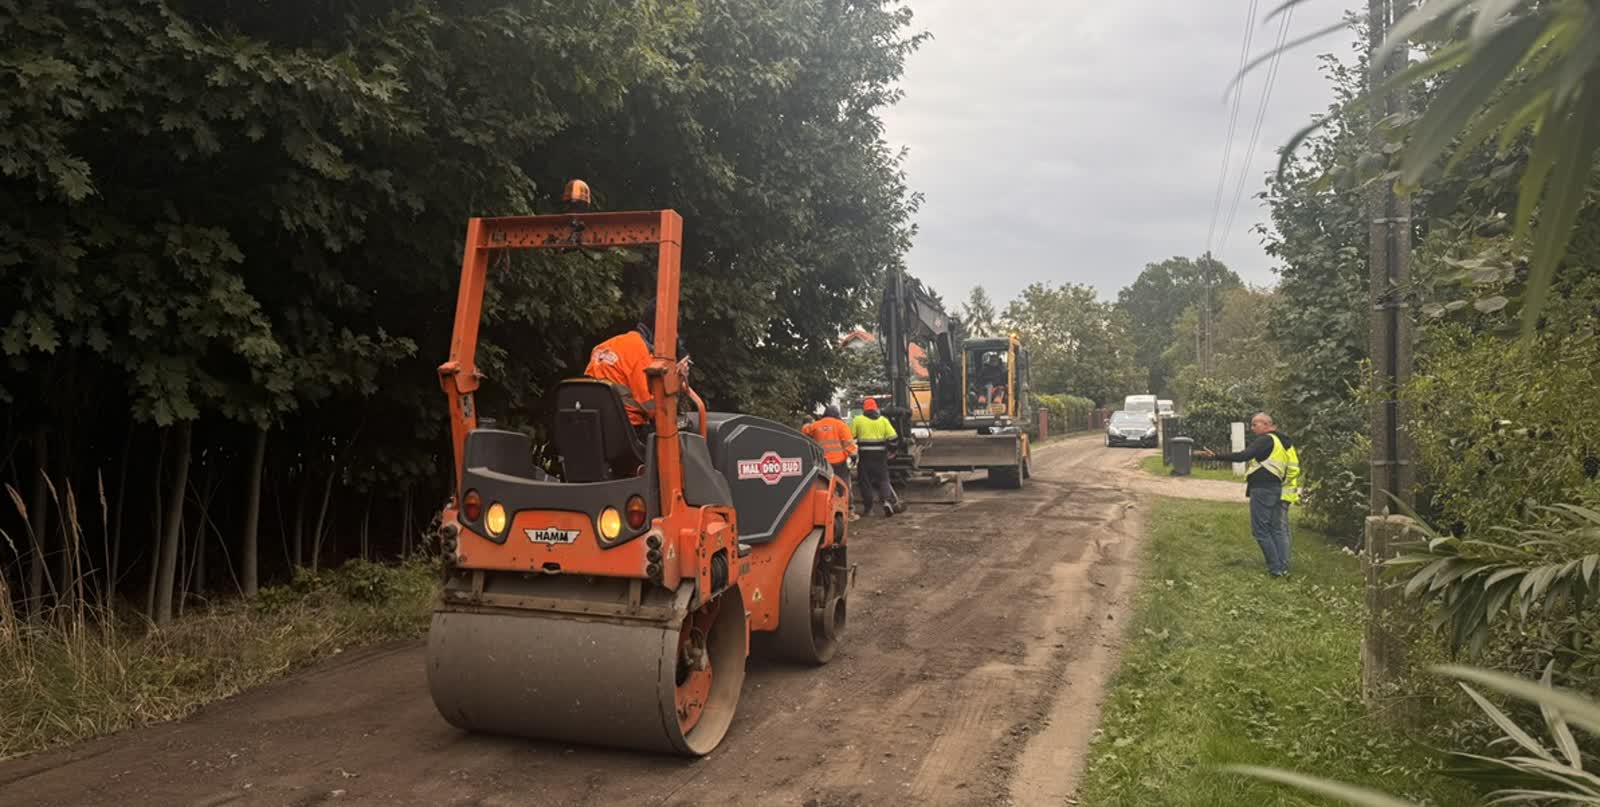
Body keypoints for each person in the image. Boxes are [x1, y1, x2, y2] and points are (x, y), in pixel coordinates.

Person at [1196, 412, 1298, 578]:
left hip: (1263, 490)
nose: (1252, 428)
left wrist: (1216, 456)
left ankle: (1275, 569)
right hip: (1277, 488)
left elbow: (1243, 456)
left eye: (1254, 424)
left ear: (1266, 425)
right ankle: (1283, 566)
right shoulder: (1283, 442)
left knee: (1260, 531)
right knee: (1277, 529)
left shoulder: (1266, 439)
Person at [585, 301, 660, 430]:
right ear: (657, 330)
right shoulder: (640, 351)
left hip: (593, 427)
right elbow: (651, 407)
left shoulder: (602, 347)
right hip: (627, 430)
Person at [803, 404, 859, 521]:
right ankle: (849, 512)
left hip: (822, 463)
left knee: (825, 486)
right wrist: (853, 455)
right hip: (839, 462)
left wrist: (807, 422)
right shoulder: (840, 425)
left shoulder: (816, 425)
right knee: (843, 485)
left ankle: (825, 512)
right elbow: (848, 443)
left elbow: (804, 431)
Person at [850, 398, 898, 518]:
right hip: (880, 456)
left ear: (864, 409)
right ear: (876, 408)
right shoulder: (883, 421)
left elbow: (850, 437)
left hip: (865, 457)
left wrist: (853, 455)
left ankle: (869, 508)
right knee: (883, 479)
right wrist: (891, 452)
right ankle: (886, 501)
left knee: (865, 482)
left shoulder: (858, 420)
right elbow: (893, 438)